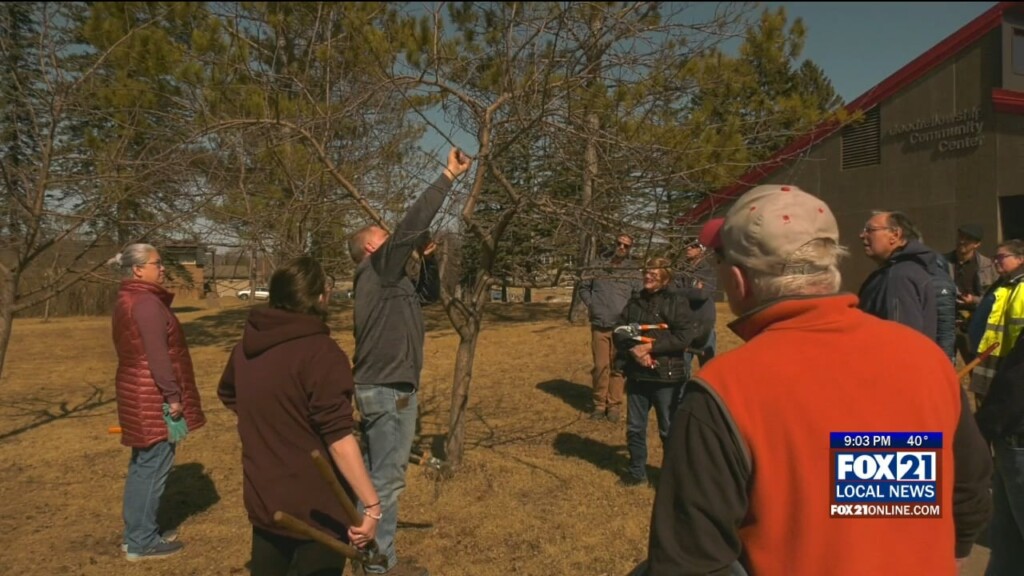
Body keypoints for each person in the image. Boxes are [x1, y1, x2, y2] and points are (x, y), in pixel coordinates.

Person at [646, 185, 992, 575]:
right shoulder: (925, 359)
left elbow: (689, 560)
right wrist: (953, 549)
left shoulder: (724, 389)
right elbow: (969, 489)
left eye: (720, 258)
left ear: (739, 281)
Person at [347, 147, 471, 576]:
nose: (397, 242)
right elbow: (411, 224)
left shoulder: (391, 281)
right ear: (370, 247)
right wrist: (448, 176)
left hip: (385, 387)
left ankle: (365, 553)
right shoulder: (377, 271)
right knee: (386, 481)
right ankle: (379, 564)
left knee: (371, 478)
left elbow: (428, 296)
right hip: (387, 390)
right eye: (387, 237)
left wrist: (431, 257)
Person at [217, 256, 379, 576]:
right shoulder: (321, 353)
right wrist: (372, 507)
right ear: (320, 297)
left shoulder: (246, 347)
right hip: (316, 509)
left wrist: (278, 422)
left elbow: (231, 394)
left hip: (266, 499)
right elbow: (338, 438)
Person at [109, 243, 206, 561]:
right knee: (153, 465)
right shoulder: (147, 304)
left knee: (143, 465)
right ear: (138, 269)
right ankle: (142, 541)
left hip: (139, 391)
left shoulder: (129, 298)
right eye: (157, 263)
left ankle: (136, 533)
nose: (162, 268)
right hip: (152, 394)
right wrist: (173, 396)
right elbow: (157, 356)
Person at [612, 257, 700, 487]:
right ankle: (636, 473)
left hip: (667, 377)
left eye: (653, 275)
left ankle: (672, 479)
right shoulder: (635, 302)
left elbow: (684, 336)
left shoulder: (676, 302)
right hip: (638, 376)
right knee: (635, 427)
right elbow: (620, 331)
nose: (647, 278)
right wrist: (634, 350)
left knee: (668, 429)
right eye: (646, 274)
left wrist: (651, 347)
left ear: (665, 277)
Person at [857, 210, 954, 360]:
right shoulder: (900, 271)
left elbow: (901, 341)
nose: (862, 235)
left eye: (870, 230)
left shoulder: (899, 277)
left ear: (895, 235)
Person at [975, 328, 1024, 575]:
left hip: (1016, 439)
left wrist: (981, 428)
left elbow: (1015, 386)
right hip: (1011, 440)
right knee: (1008, 547)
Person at [578, 233, 640, 422]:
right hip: (600, 324)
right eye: (618, 243)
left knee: (618, 367)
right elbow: (583, 287)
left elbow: (638, 297)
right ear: (613, 244)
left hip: (622, 327)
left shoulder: (633, 271)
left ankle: (614, 406)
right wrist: (593, 305)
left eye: (626, 246)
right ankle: (599, 404)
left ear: (630, 249)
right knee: (600, 366)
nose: (621, 247)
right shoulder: (597, 266)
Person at [968, 240, 1024, 406]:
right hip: (989, 355)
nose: (995, 261)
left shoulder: (1020, 286)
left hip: (1009, 361)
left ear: (1021, 259)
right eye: (995, 257)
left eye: (1001, 257)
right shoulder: (1002, 284)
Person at [946, 224, 998, 364]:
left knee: (975, 366)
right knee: (945, 366)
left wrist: (973, 300)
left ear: (977, 244)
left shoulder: (988, 266)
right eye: (960, 237)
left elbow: (995, 298)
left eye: (968, 239)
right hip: (948, 321)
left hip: (975, 322)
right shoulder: (942, 262)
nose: (962, 241)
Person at [672, 234, 718, 369]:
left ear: (701, 250)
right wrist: (692, 290)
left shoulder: (708, 271)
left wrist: (682, 291)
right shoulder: (680, 271)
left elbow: (702, 295)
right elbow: (671, 292)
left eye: (693, 246)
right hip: (684, 325)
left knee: (708, 367)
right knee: (682, 367)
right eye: (687, 245)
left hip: (704, 325)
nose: (689, 248)